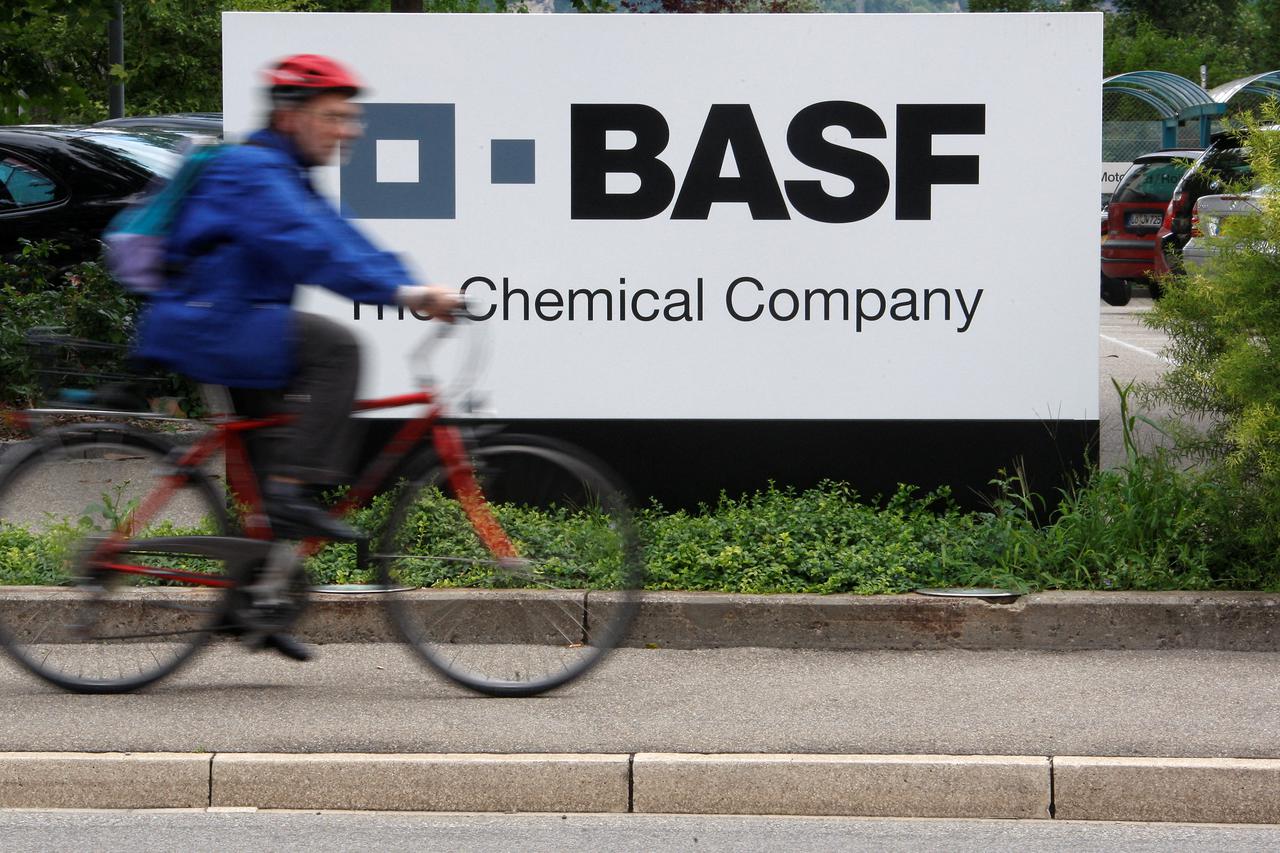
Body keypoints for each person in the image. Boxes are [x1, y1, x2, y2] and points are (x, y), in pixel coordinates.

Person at [135, 53, 459, 541]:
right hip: (212, 323)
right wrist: (400, 292)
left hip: (229, 323)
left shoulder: (286, 174)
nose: (348, 131)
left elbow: (344, 238)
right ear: (289, 116)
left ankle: (255, 589)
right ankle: (289, 497)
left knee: (273, 457)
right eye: (333, 117)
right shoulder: (254, 171)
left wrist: (410, 288)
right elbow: (309, 247)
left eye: (350, 119)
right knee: (336, 349)